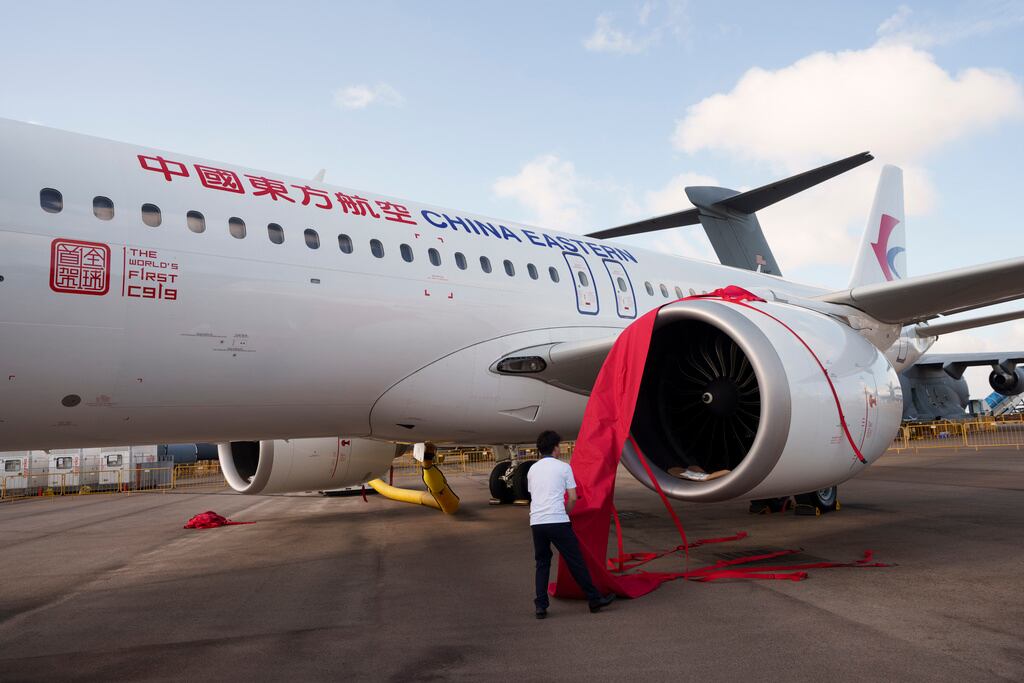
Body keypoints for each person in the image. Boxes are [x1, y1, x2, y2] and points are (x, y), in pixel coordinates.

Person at [528, 430, 615, 619]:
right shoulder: (564, 468)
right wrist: (566, 512)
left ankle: (541, 606)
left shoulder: (532, 470)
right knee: (576, 561)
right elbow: (573, 498)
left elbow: (534, 495)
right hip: (557, 520)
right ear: (555, 448)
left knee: (542, 563)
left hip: (536, 522)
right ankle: (594, 599)